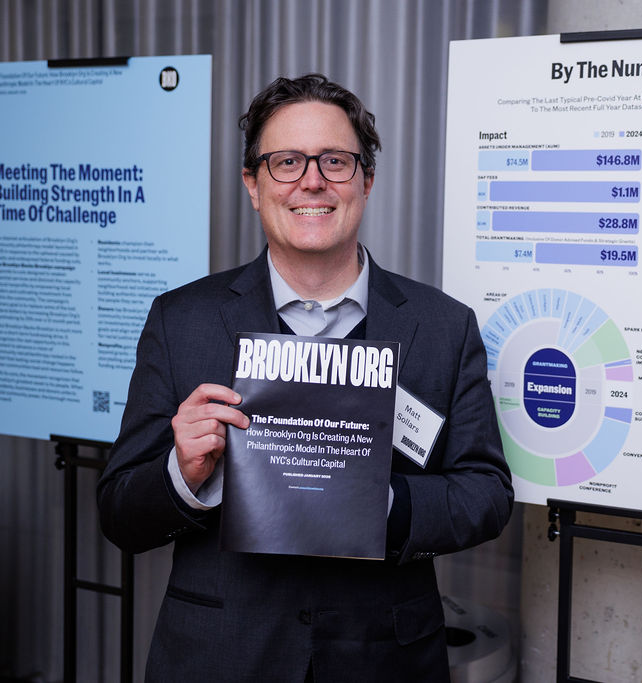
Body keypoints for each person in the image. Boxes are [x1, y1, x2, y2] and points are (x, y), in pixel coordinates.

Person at [97, 74, 513, 682]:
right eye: (286, 161)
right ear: (253, 185)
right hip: (221, 656)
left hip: (383, 660)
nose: (311, 180)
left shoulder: (443, 327)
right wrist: (181, 475)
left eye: (335, 161)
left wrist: (379, 502)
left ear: (366, 182)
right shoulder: (180, 321)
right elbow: (118, 514)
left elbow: (487, 493)